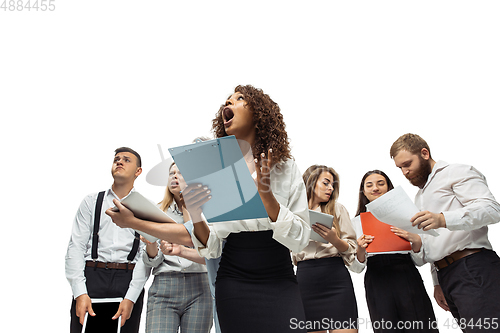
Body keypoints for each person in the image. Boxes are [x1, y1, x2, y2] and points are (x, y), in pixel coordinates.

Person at [182, 85, 311, 333]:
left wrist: (266, 196)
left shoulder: (285, 167)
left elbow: (301, 239)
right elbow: (212, 247)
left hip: (279, 276)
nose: (228, 103)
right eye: (227, 100)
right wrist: (196, 213)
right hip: (234, 279)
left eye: (239, 99)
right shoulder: (217, 169)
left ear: (260, 114)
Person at [390, 133, 500, 331]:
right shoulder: (420, 196)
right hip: (447, 276)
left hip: (473, 267)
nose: (405, 172)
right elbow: (435, 241)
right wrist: (436, 281)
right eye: (400, 168)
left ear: (424, 153)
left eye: (407, 164)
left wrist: (442, 219)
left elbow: (492, 210)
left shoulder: (456, 172)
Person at [65, 147, 149, 333]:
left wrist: (131, 297)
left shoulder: (146, 208)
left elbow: (145, 257)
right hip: (92, 277)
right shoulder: (91, 202)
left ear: (138, 171)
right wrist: (80, 292)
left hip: (128, 280)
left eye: (126, 160)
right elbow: (76, 247)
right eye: (117, 159)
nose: (119, 162)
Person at [349, 170, 438, 333]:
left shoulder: (408, 216)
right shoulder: (355, 222)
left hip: (406, 274)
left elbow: (419, 261)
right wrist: (360, 249)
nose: (375, 188)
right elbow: (357, 268)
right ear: (363, 191)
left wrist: (416, 241)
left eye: (380, 183)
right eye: (369, 185)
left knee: (420, 324)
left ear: (389, 187)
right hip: (377, 279)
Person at [142, 162, 213, 333]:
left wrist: (190, 208)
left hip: (200, 286)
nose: (174, 176)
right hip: (165, 285)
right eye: (171, 173)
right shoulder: (157, 211)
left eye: (180, 173)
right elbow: (153, 261)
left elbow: (209, 250)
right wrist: (151, 243)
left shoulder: (208, 211)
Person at [293, 165, 358, 333]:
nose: (331, 188)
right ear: (311, 182)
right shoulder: (293, 214)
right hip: (306, 280)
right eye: (326, 183)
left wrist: (334, 239)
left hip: (336, 278)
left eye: (333, 185)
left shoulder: (337, 209)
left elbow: (351, 249)